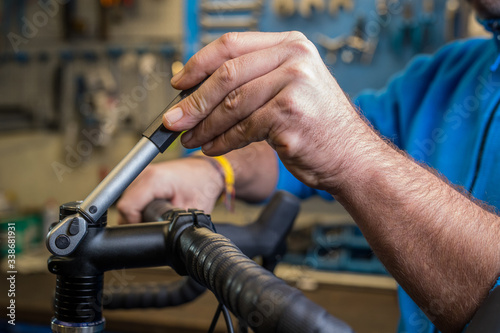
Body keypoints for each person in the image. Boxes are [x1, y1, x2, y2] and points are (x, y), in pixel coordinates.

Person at [117, 1, 500, 332]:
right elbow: (296, 150)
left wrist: (348, 149)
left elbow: (348, 147)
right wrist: (216, 170)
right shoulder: (447, 74)